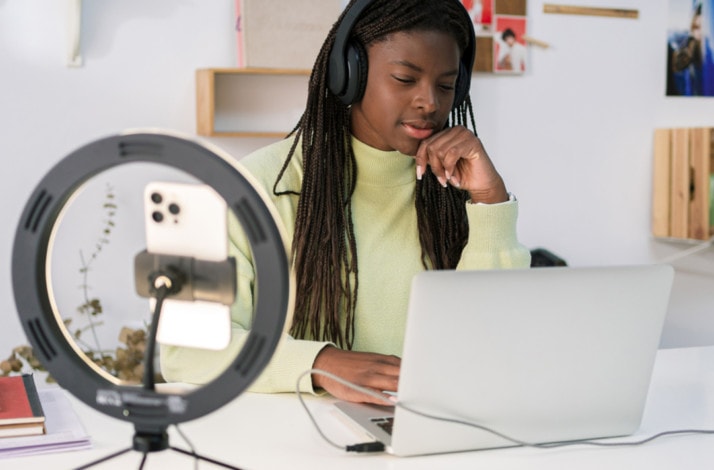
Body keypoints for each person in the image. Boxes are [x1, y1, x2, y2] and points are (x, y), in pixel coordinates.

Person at [161, 0, 531, 404]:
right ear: (349, 75)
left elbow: (495, 344)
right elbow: (186, 353)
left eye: (445, 86)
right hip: (295, 443)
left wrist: (490, 203)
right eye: (406, 79)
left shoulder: (456, 186)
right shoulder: (253, 186)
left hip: (431, 430)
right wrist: (321, 363)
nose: (430, 102)